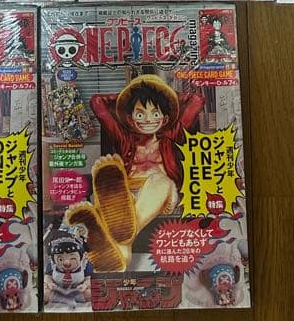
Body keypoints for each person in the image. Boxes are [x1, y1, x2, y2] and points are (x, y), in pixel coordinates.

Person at [64, 75, 204, 272]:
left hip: (159, 194)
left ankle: (119, 235)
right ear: (130, 119)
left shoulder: (172, 137)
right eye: (140, 114)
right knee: (116, 196)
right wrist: (129, 95)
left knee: (160, 180)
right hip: (124, 195)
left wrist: (159, 91)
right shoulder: (124, 139)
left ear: (165, 119)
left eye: (155, 113)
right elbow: (97, 102)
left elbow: (197, 100)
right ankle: (121, 251)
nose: (148, 119)